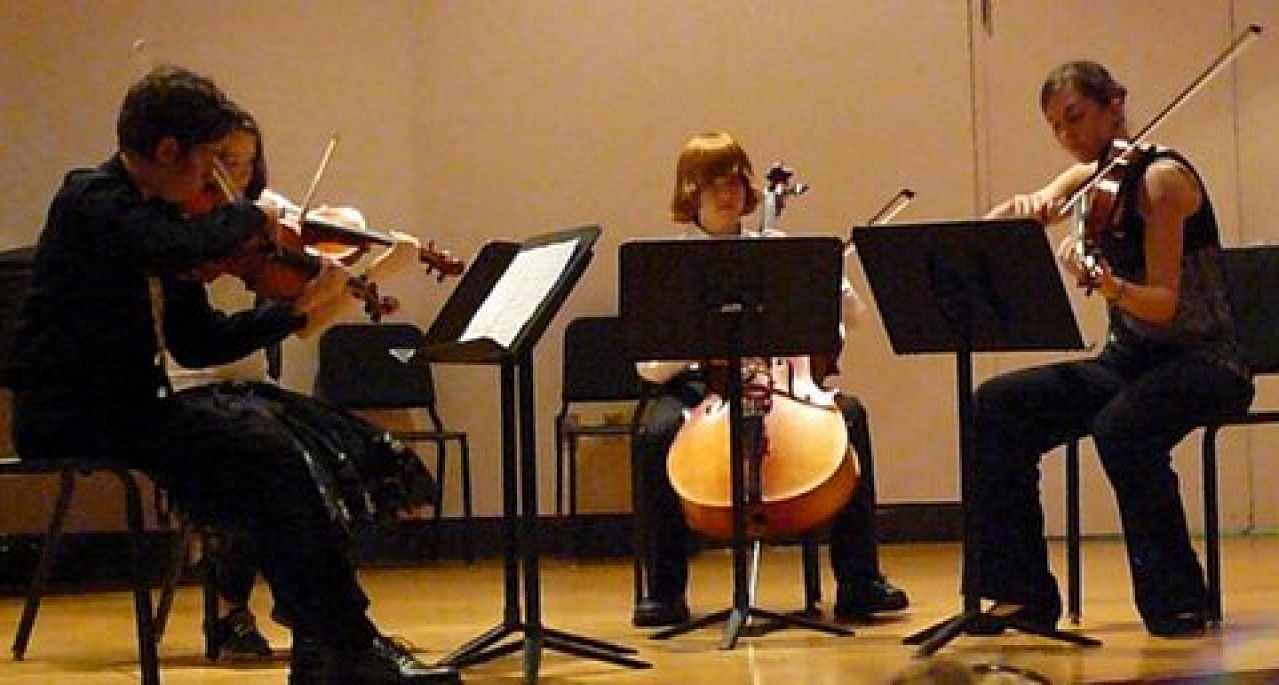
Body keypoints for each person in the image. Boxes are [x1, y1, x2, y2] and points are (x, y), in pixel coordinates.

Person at [8, 65, 459, 685]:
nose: (213, 181)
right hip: (72, 414)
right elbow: (175, 248)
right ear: (169, 151)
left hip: (132, 406)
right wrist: (252, 215)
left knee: (294, 442)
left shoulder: (169, 221)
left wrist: (291, 313)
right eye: (210, 161)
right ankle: (343, 648)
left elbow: (196, 343)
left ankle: (328, 645)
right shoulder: (91, 200)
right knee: (264, 452)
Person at [968, 61, 1254, 637]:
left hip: (1204, 361)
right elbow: (1048, 197)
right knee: (997, 405)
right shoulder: (1098, 174)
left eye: (1076, 118)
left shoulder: (1161, 182)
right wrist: (1021, 213)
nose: (1070, 136)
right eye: (1056, 127)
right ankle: (1020, 594)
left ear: (1115, 104)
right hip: (1133, 360)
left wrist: (1105, 283)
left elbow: (1165, 305)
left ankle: (1177, 598)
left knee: (1122, 427)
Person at [176, 105, 430, 662]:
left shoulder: (263, 224)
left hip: (248, 387)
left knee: (338, 455)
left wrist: (374, 269)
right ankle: (232, 612)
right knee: (270, 453)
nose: (235, 177)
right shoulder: (182, 231)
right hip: (189, 387)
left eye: (245, 163)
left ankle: (319, 617)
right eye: (223, 161)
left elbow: (304, 322)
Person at [630, 131, 909, 627]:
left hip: (781, 384)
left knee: (851, 417)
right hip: (699, 386)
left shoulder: (778, 248)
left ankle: (860, 581)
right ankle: (664, 591)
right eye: (714, 181)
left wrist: (827, 286)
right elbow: (648, 366)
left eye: (736, 178)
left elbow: (854, 320)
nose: (728, 191)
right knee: (656, 434)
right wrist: (698, 344)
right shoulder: (669, 262)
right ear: (689, 188)